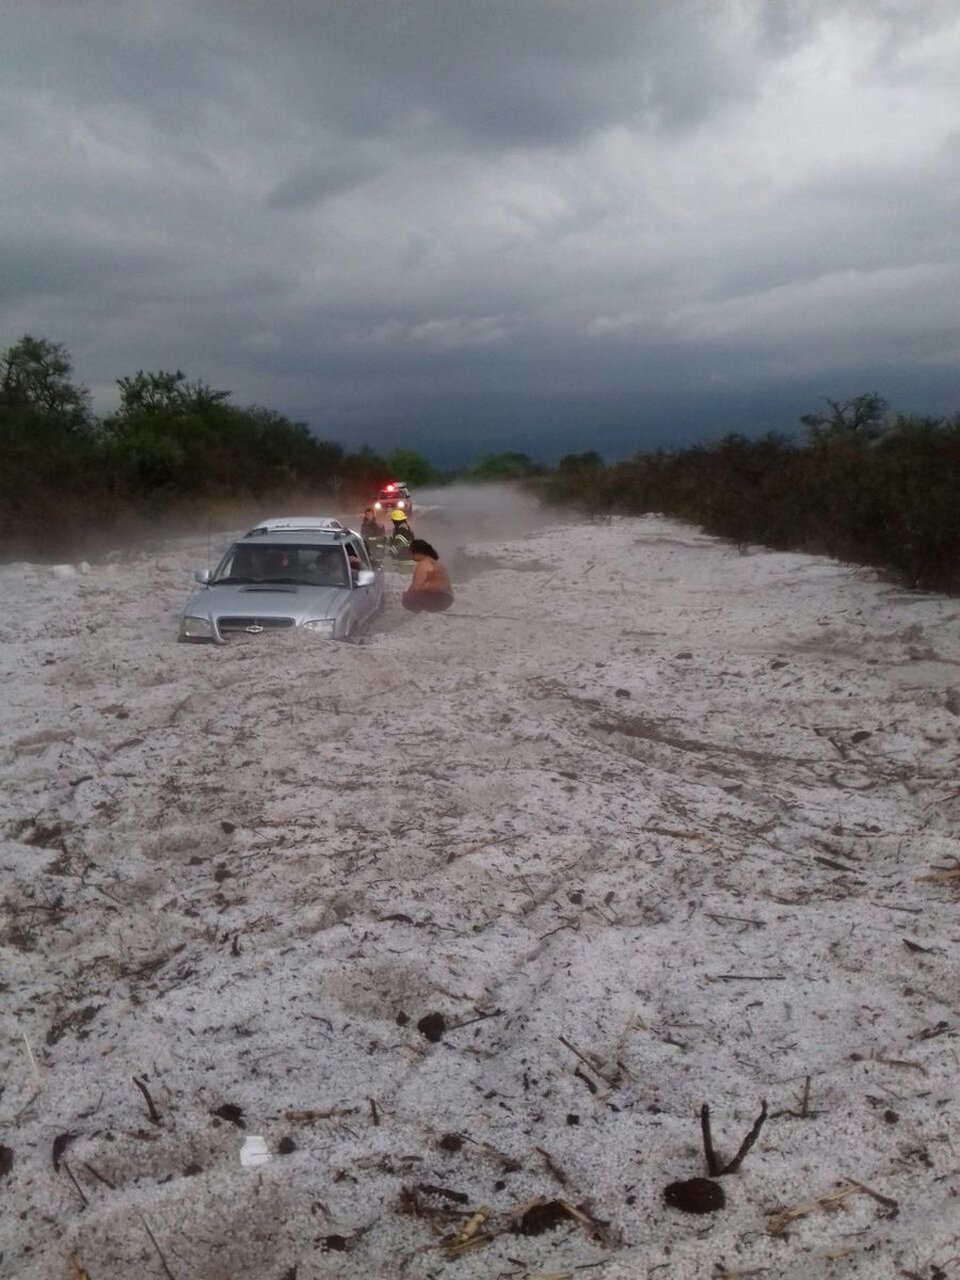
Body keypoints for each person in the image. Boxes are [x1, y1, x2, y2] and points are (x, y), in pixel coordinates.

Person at [402, 539, 454, 613]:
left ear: (417, 552)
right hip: (446, 598)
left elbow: (417, 585)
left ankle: (423, 611)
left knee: (408, 599)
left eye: (411, 551)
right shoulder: (433, 562)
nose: (410, 555)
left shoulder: (424, 563)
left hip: (437, 597)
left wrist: (407, 596)